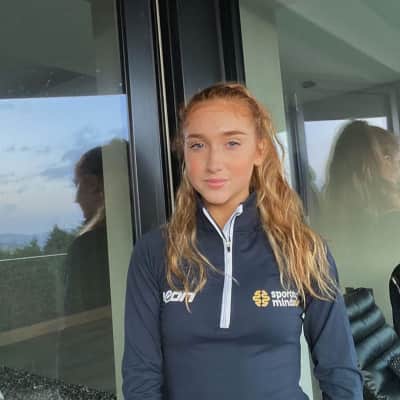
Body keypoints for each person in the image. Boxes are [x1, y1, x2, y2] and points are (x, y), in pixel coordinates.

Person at [122, 82, 363, 399]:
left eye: (232, 143)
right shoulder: (155, 251)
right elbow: (140, 376)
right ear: (185, 152)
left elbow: (339, 370)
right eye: (198, 145)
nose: (214, 163)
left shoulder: (303, 248)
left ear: (260, 150)